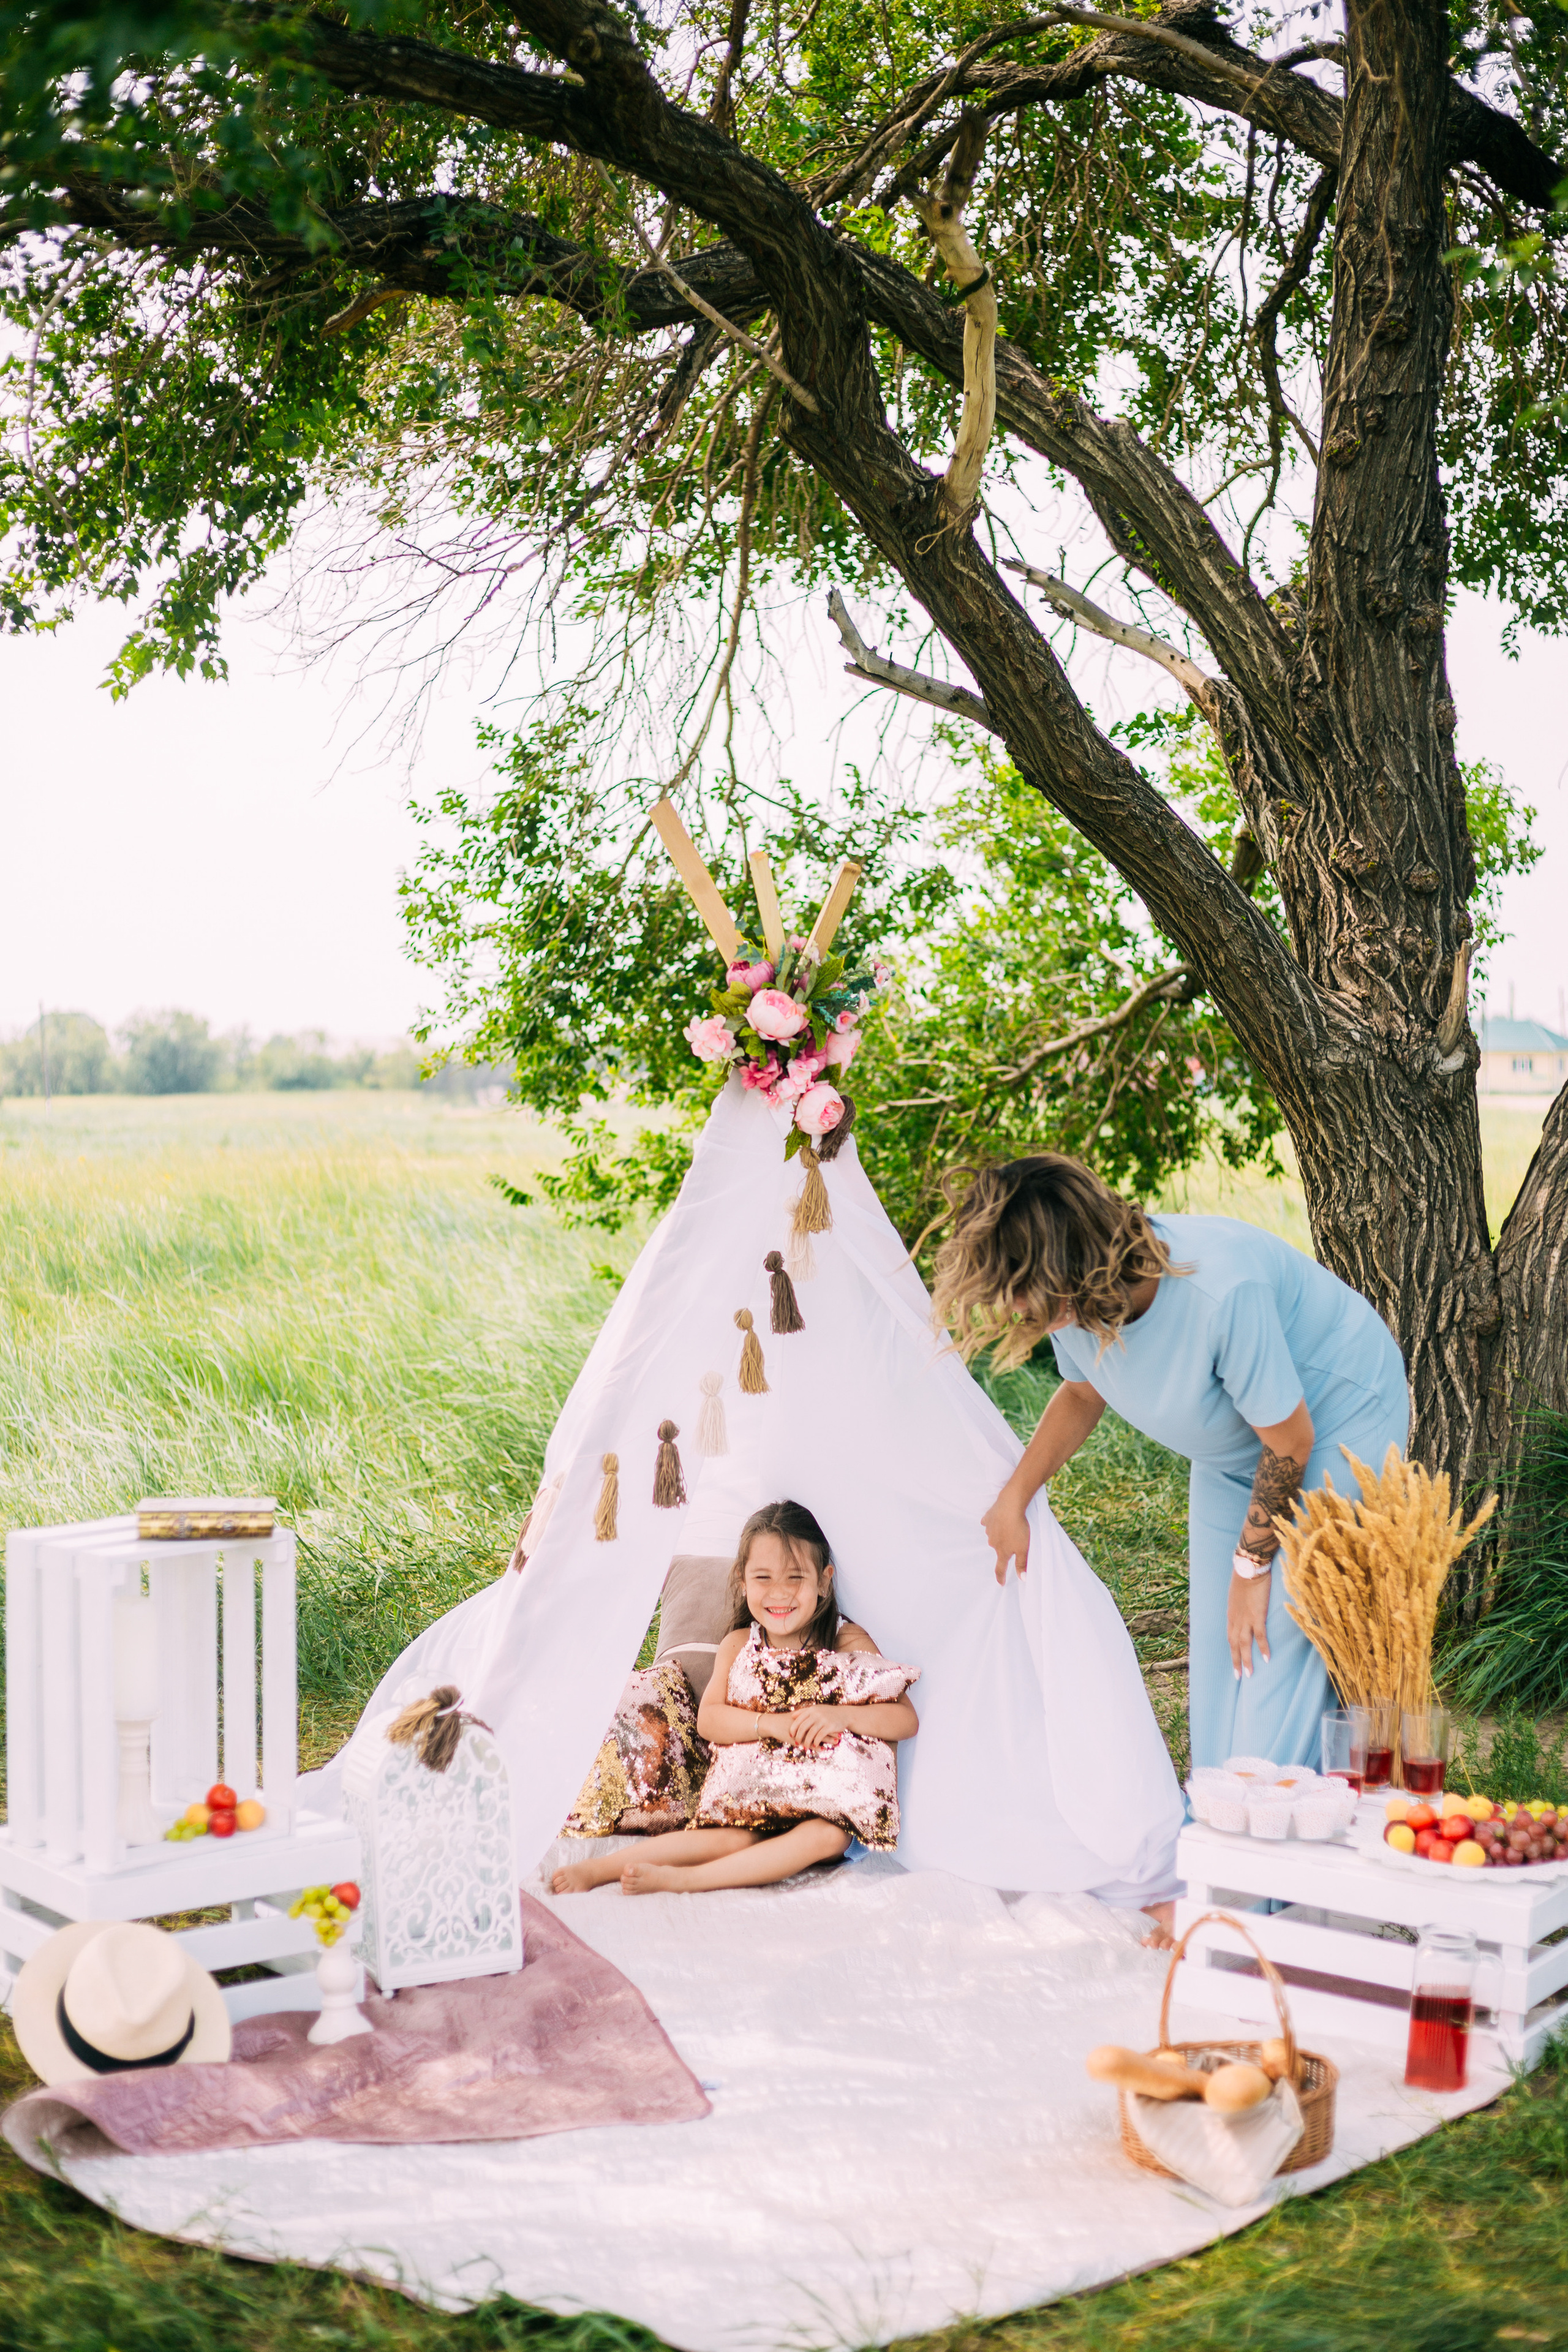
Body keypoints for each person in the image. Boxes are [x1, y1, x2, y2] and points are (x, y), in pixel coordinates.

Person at [932, 1156, 1409, 1777]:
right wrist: (1014, 1497)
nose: (1015, 1306)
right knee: (1220, 1644)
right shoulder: (1072, 1302)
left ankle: (1268, 1822)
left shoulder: (1220, 1292)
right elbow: (1081, 1392)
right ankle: (1216, 1811)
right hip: (1238, 1448)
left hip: (1335, 1423)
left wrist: (1250, 1565)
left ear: (1070, 1262)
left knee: (1271, 1626)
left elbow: (1291, 1441)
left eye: (1022, 1287)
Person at [551, 1499, 919, 1896]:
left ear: (824, 1581)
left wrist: (839, 1716)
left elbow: (904, 1719)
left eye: (795, 1577)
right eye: (764, 1578)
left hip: (827, 1804)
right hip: (753, 1801)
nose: (780, 1593)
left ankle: (687, 1881)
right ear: (743, 1582)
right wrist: (771, 1724)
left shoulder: (845, 1641)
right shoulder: (740, 1644)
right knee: (733, 1838)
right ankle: (600, 1870)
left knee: (827, 1836)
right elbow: (710, 1721)